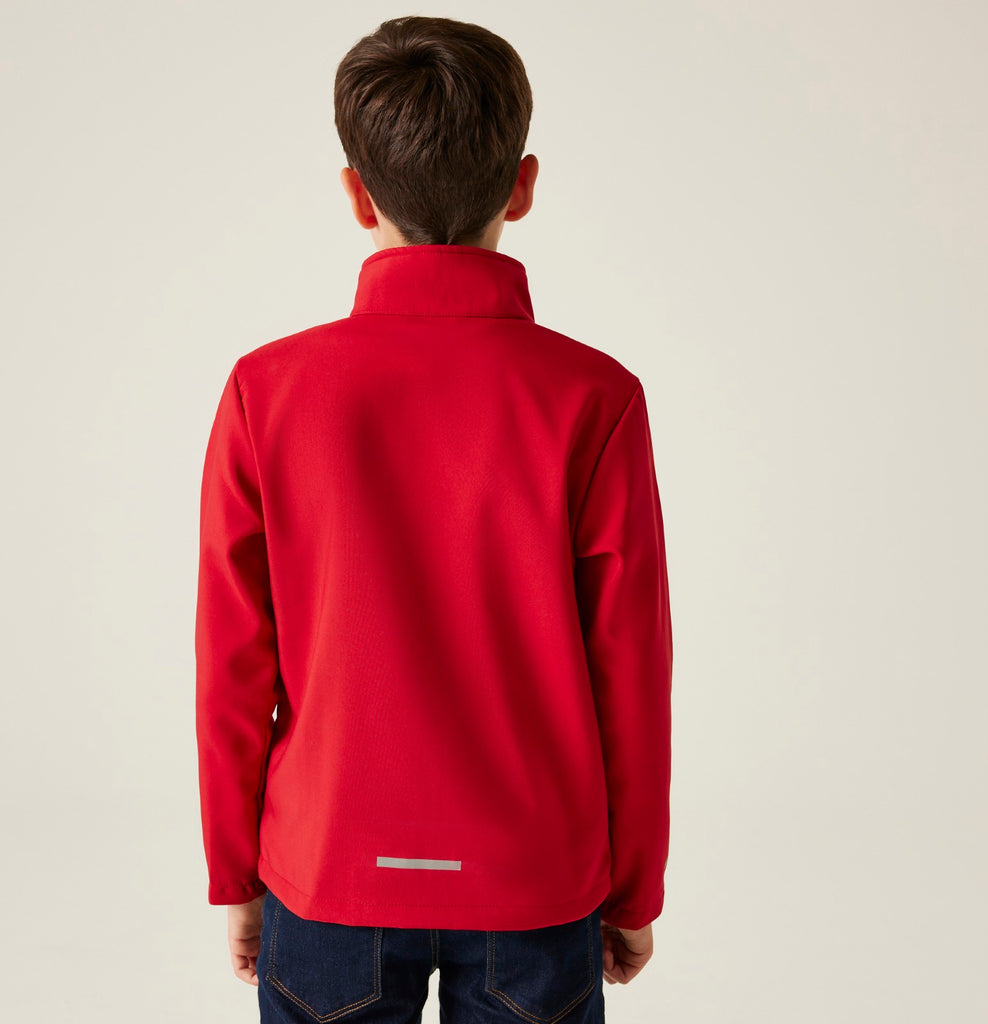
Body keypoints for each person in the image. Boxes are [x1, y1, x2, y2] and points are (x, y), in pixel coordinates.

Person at [195, 15, 673, 1022]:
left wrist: (235, 872)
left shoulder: (267, 390)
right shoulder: (595, 398)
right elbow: (629, 667)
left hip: (327, 867)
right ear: (522, 186)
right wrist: (634, 887)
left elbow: (234, 662)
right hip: (532, 877)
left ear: (356, 195)